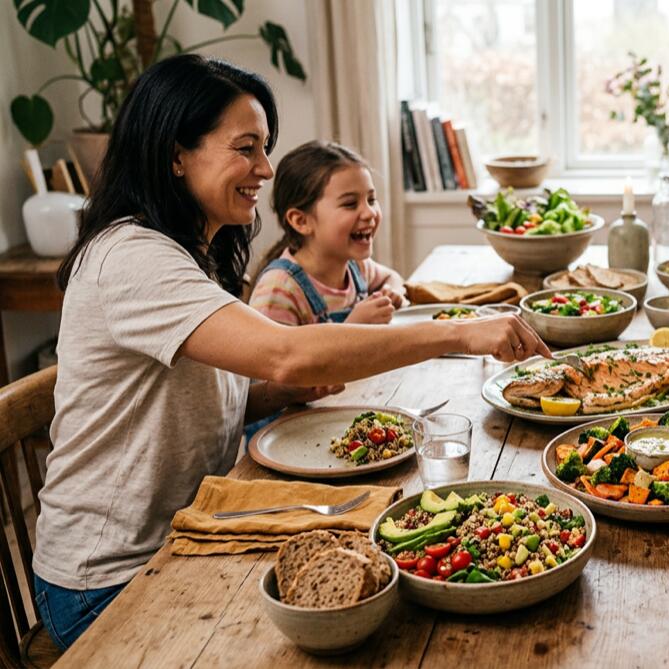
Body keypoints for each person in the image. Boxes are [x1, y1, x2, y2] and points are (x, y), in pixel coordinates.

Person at [33, 54, 550, 650]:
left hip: (197, 529)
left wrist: (274, 395)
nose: (265, 167)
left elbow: (213, 392)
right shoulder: (129, 256)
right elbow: (285, 351)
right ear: (177, 154)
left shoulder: (188, 254)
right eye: (246, 148)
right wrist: (461, 331)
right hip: (108, 581)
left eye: (265, 147)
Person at [249, 140, 406, 326]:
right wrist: (354, 326)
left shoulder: (357, 266)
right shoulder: (278, 291)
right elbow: (278, 355)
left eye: (371, 200)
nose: (370, 212)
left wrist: (391, 292)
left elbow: (392, 277)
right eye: (350, 204)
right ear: (301, 221)